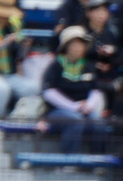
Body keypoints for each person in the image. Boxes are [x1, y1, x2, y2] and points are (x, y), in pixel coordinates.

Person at [44, 26, 110, 154]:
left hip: (84, 110)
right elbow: (49, 92)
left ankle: (97, 162)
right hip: (57, 112)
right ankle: (69, 161)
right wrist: (73, 106)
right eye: (75, 44)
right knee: (75, 121)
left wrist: (89, 106)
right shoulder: (56, 65)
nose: (78, 48)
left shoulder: (87, 65)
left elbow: (95, 90)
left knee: (99, 124)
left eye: (81, 44)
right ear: (66, 46)